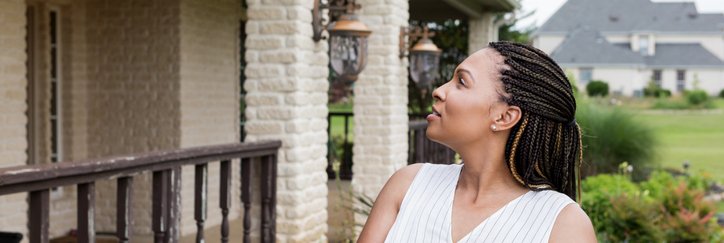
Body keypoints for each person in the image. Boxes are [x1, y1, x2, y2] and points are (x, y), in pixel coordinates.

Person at [357, 41, 596, 242]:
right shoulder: (407, 185)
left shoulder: (563, 224)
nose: (439, 91)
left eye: (461, 82)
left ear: (504, 116)